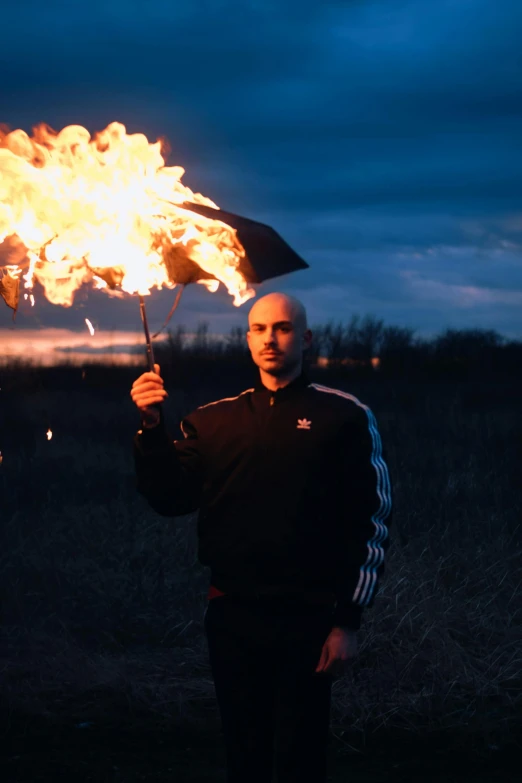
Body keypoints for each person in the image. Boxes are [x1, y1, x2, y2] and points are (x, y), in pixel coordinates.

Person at [131, 292, 393, 783]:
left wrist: (348, 621)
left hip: (309, 617)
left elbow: (372, 519)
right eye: (259, 328)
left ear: (306, 338)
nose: (270, 338)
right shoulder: (212, 421)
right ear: (247, 338)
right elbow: (169, 497)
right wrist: (150, 426)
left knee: (300, 755)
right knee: (244, 752)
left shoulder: (344, 415)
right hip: (232, 614)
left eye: (283, 328)